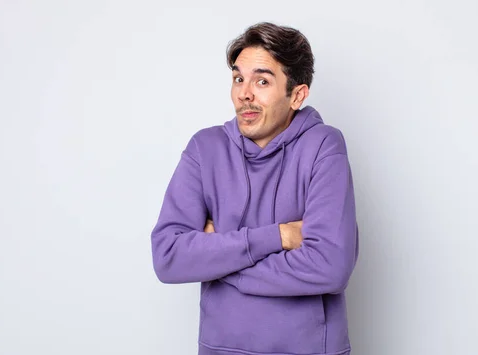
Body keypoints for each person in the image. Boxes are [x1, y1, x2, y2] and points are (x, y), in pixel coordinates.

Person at [150, 22, 359, 355]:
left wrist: (220, 259)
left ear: (297, 95)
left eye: (262, 81)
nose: (244, 93)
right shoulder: (205, 149)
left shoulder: (323, 146)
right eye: (238, 78)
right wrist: (278, 237)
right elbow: (168, 257)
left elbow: (330, 266)